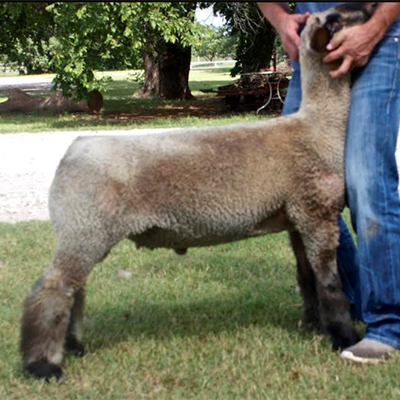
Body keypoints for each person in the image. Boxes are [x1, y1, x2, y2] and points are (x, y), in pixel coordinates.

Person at [257, 2, 400, 363]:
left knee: (365, 177)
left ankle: (389, 324)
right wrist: (281, 20)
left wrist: (375, 27)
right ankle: (348, 300)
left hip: (381, 38)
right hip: (314, 45)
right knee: (301, 189)